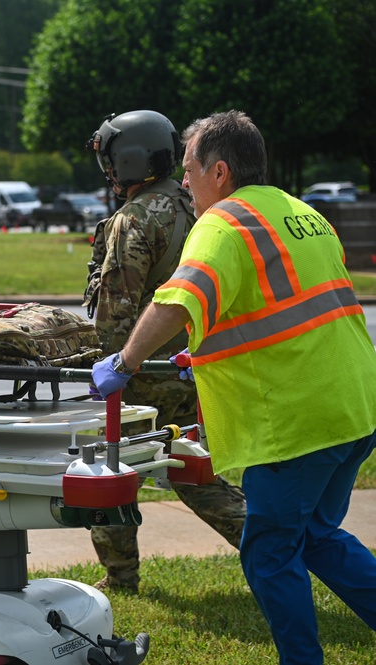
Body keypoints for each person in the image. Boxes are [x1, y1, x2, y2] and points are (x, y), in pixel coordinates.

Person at [92, 110, 376, 664]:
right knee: (314, 535)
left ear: (219, 172)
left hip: (300, 423)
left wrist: (125, 361)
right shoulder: (301, 213)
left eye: (191, 169)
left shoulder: (222, 223)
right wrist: (203, 350)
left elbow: (180, 297)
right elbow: (277, 306)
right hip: (356, 407)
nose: (185, 180)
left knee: (269, 551)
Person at [82, 110, 246, 593]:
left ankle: (120, 576)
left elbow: (114, 318)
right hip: (190, 367)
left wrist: (107, 369)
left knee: (104, 465)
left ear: (128, 161)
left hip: (139, 376)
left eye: (112, 160)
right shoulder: (198, 208)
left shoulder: (133, 221)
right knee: (191, 471)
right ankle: (270, 542)